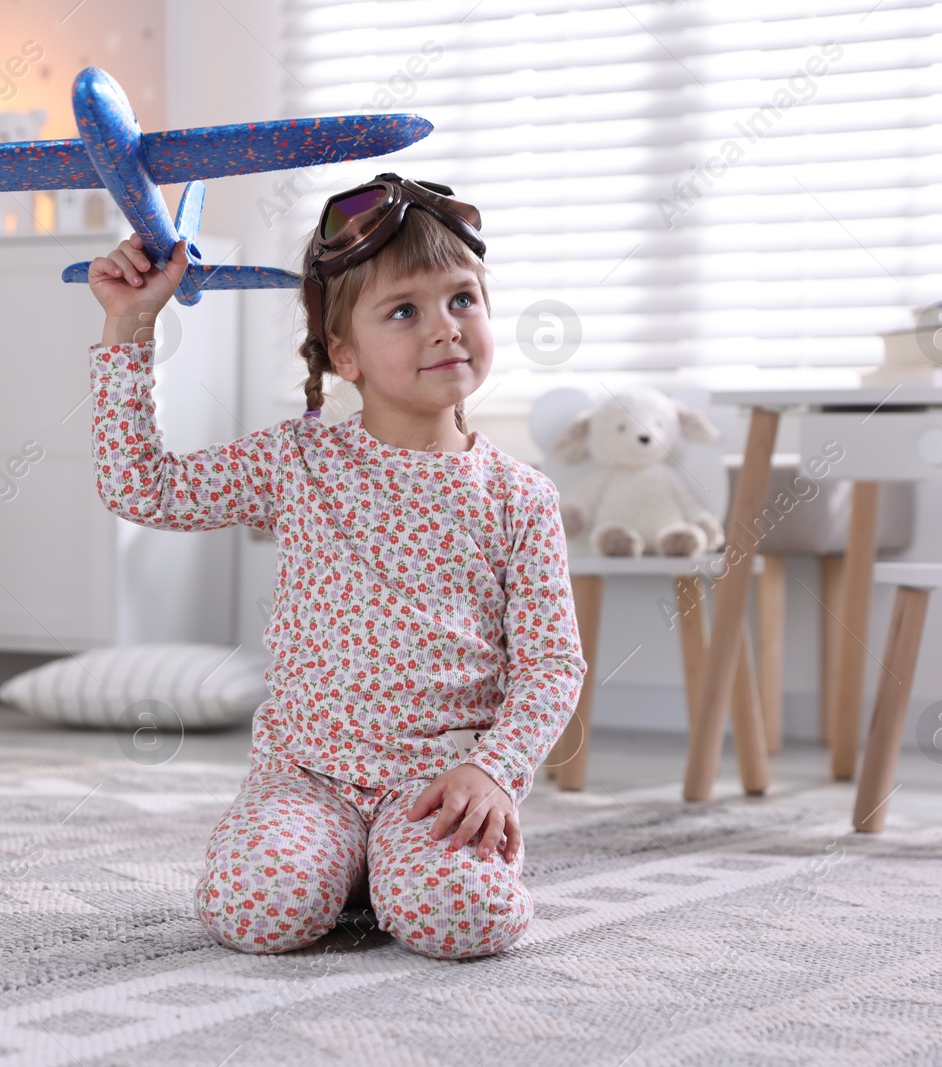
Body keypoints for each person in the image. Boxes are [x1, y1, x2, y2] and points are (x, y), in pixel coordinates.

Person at [85, 173, 587, 960]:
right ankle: (340, 865)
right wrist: (132, 325)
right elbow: (140, 487)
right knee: (260, 913)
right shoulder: (298, 460)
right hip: (307, 773)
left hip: (438, 784)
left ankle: (391, 866)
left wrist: (495, 771)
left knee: (466, 921)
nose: (445, 328)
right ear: (343, 353)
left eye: (463, 299)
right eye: (404, 311)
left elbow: (552, 663)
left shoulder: (520, 496)